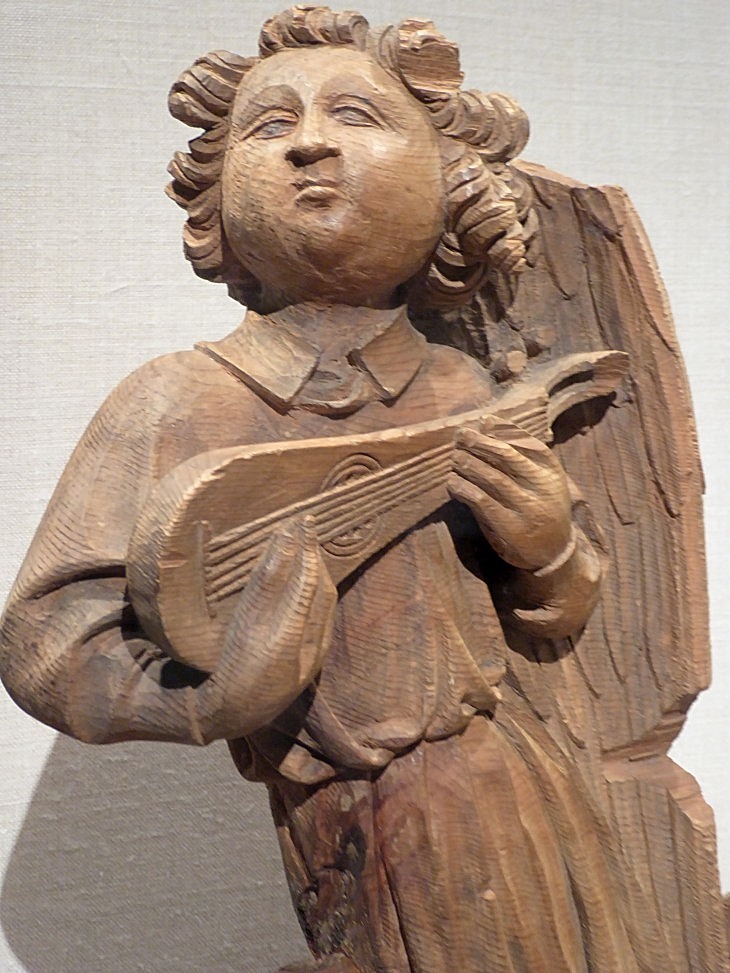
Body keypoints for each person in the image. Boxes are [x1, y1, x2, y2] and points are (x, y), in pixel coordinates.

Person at [0, 7, 647, 971]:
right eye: (271, 124)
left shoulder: (464, 388)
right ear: (215, 198)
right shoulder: (171, 403)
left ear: (451, 181)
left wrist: (549, 550)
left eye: (356, 114)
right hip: (345, 817)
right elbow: (46, 643)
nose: (310, 143)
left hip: (521, 780)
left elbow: (564, 612)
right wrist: (214, 698)